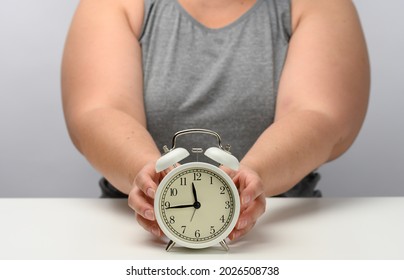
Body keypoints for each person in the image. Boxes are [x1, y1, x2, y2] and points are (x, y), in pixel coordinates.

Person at [61, 0, 370, 242]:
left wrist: (253, 180)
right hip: (133, 232)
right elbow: (99, 111)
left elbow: (320, 115)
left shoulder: (319, 4)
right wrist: (150, 179)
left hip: (281, 231)